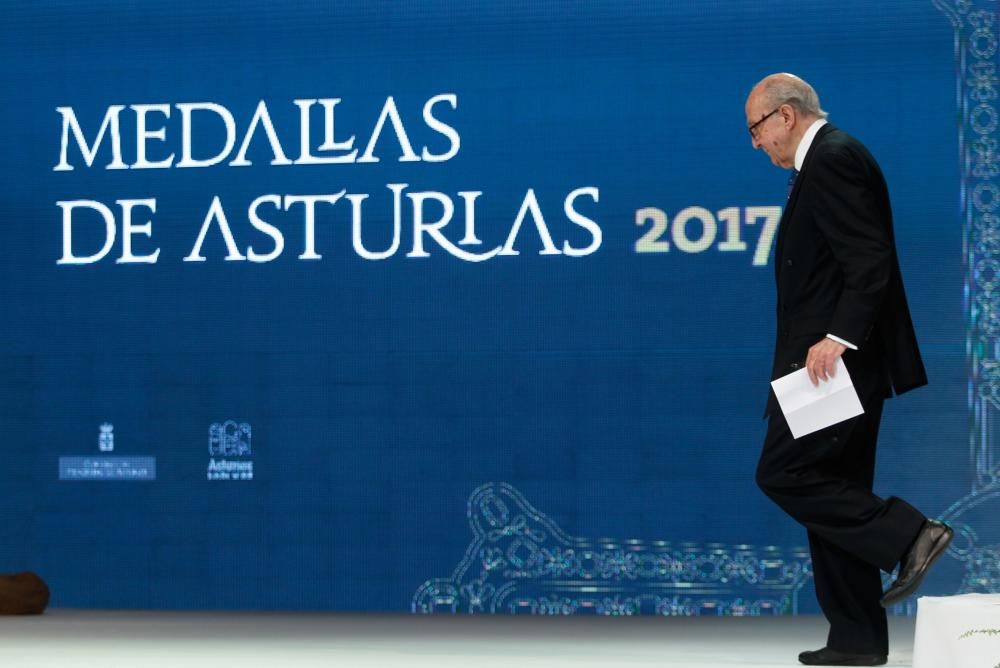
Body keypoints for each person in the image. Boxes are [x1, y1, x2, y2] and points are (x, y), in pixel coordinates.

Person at [745, 73, 953, 667]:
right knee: (834, 487)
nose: (757, 144)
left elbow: (868, 256)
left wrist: (838, 337)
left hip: (835, 364)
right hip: (827, 363)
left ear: (785, 116)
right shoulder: (822, 164)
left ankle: (910, 534)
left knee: (785, 473)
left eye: (757, 129)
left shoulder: (833, 158)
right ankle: (857, 638)